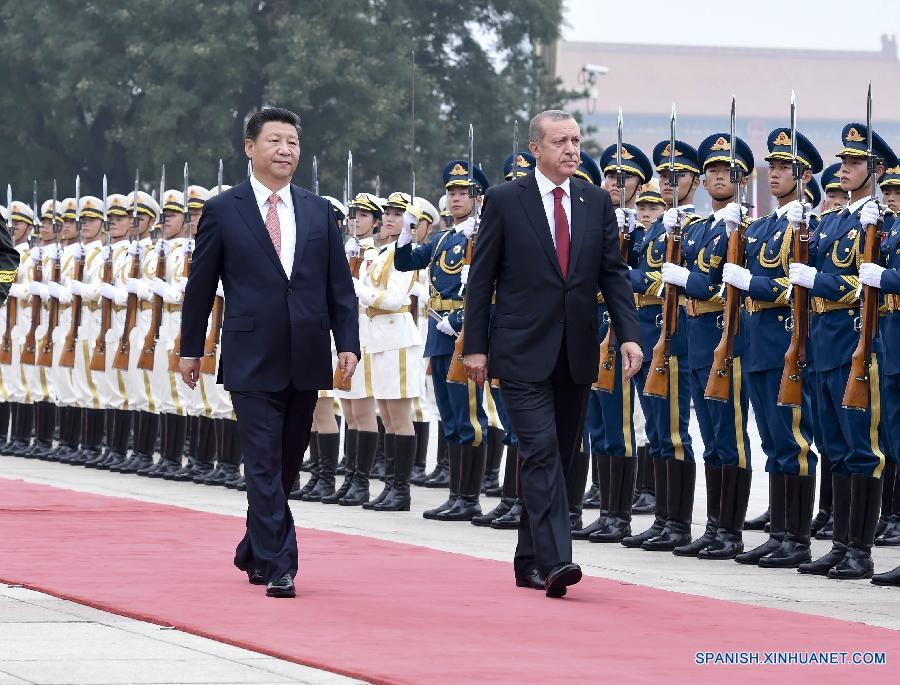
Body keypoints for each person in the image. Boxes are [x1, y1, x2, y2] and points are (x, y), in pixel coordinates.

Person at [179, 107, 360, 598]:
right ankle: (282, 561)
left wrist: (348, 342)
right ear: (250, 147)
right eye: (275, 141)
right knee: (260, 460)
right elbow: (201, 286)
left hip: (305, 352)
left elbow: (338, 286)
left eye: (293, 143)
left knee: (284, 464)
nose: (285, 151)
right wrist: (191, 348)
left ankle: (254, 547)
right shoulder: (223, 209)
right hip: (249, 353)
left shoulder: (318, 209)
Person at [461, 110, 641, 598]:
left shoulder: (594, 200)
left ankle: (527, 559)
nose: (572, 149)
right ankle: (557, 559)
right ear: (535, 148)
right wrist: (474, 347)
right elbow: (482, 279)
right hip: (520, 350)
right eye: (561, 141)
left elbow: (612, 274)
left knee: (557, 458)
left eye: (577, 140)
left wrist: (628, 334)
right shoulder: (504, 200)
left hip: (576, 350)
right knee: (538, 450)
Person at [790, 123, 895, 580]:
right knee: (834, 446)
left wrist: (826, 282)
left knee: (861, 449)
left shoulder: (884, 224)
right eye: (844, 161)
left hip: (857, 342)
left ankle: (861, 549)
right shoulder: (833, 219)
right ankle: (839, 544)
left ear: (875, 169)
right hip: (823, 343)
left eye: (855, 163)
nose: (844, 168)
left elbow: (865, 283)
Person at [724, 128, 822, 567]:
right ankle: (779, 532)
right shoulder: (762, 227)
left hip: (787, 343)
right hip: (758, 345)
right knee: (772, 442)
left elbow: (796, 287)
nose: (777, 174)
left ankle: (797, 538)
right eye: (775, 167)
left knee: (793, 440)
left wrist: (755, 284)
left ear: (804, 176)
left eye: (786, 168)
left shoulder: (806, 229)